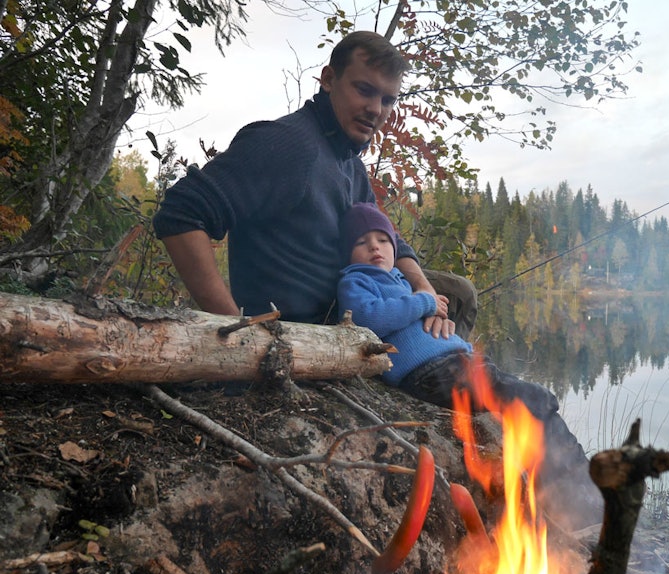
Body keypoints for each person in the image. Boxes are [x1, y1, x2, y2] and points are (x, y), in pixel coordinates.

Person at [152, 31, 476, 339]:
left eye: (388, 99)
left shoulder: (350, 163)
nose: (376, 109)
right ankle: (434, 371)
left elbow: (392, 240)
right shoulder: (288, 144)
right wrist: (236, 329)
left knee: (457, 293)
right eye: (364, 90)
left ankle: (441, 360)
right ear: (329, 79)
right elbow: (183, 211)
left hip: (360, 297)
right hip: (307, 327)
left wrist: (423, 287)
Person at [337, 202, 602, 530]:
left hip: (458, 364)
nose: (374, 247)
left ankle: (584, 504)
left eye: (382, 239)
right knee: (534, 401)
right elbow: (369, 316)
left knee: (532, 407)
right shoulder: (356, 281)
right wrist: (425, 301)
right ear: (348, 253)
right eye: (362, 243)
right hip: (434, 373)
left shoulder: (398, 280)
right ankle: (587, 512)